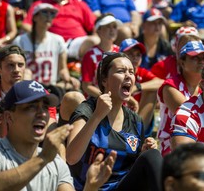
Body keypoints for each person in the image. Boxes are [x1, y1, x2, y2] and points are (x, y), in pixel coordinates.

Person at [0, 80, 116, 191]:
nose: (42, 113)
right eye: (31, 107)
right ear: (8, 117)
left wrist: (90, 187)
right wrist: (43, 158)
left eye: (45, 107)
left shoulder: (55, 163)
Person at [66, 52, 162, 191]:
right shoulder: (88, 109)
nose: (128, 75)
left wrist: (143, 153)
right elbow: (71, 157)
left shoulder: (135, 120)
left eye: (131, 72)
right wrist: (97, 116)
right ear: (104, 80)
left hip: (121, 187)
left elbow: (132, 166)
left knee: (152, 155)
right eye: (121, 71)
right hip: (89, 187)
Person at [23, 0, 99, 60]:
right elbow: (26, 25)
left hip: (76, 43)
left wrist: (96, 35)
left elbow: (95, 26)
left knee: (95, 40)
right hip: (50, 43)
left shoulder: (80, 4)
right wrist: (43, 36)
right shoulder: (40, 4)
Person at [158, 40, 204, 156]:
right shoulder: (170, 86)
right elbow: (191, 116)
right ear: (182, 63)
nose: (201, 62)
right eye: (195, 58)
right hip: (173, 148)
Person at [13, 3, 80, 93]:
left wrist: (69, 79)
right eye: (44, 12)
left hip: (51, 88)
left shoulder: (58, 40)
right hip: (28, 89)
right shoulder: (20, 41)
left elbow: (62, 69)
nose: (49, 16)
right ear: (34, 17)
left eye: (52, 14)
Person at [81, 13, 120, 98]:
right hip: (96, 101)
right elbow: (86, 86)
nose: (112, 30)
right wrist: (107, 97)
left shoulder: (121, 52)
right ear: (98, 30)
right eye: (108, 26)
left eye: (114, 27)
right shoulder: (90, 55)